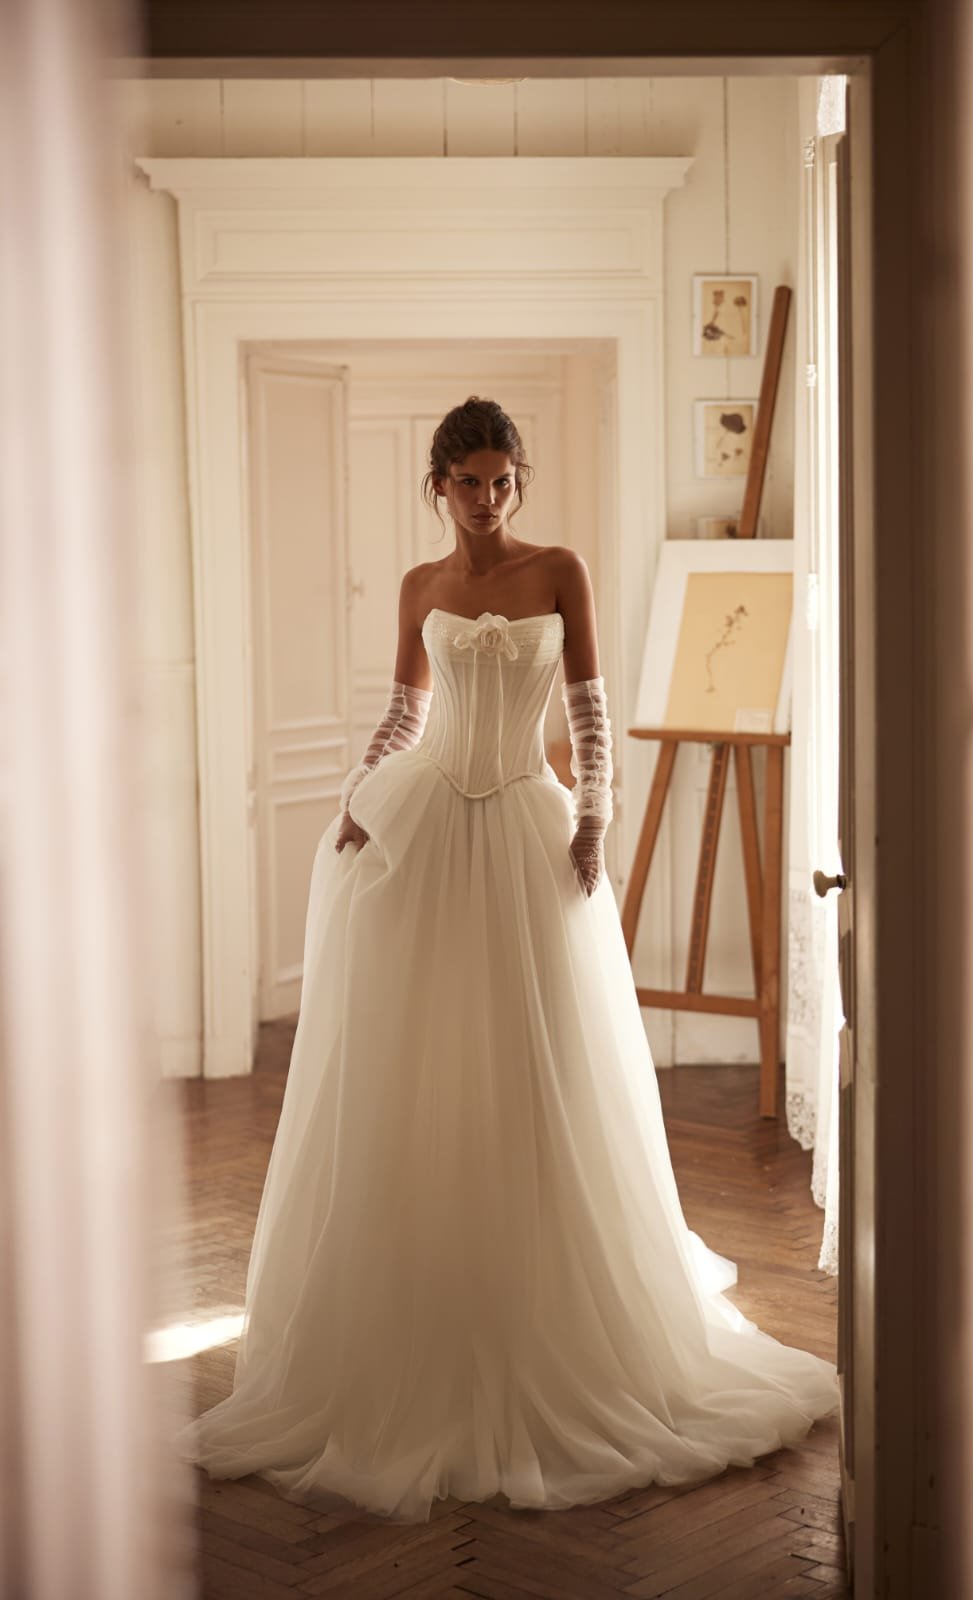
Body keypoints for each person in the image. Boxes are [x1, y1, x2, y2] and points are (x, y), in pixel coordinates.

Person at [175, 396, 839, 1524]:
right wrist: (352, 801)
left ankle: (553, 1305)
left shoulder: (559, 570)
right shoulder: (418, 587)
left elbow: (587, 712)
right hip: (427, 823)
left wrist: (591, 819)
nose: (488, 501)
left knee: (540, 1068)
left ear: (517, 481)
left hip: (530, 837)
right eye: (468, 483)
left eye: (502, 481)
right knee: (418, 1060)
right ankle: (415, 1296)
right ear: (436, 486)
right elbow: (401, 713)